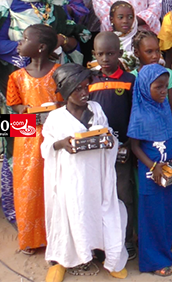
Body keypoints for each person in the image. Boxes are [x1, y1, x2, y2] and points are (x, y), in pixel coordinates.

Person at [0, 0, 91, 222]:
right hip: (20, 82)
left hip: (52, 84)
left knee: (55, 140)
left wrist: (62, 42)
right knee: (24, 144)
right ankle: (21, 210)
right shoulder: (6, 2)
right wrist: (29, 54)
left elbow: (76, 35)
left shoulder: (57, 3)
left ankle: (55, 212)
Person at [41, 63, 128, 281]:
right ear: (64, 92)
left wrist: (109, 141)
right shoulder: (56, 118)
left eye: (85, 87)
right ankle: (61, 260)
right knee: (68, 215)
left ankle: (110, 256)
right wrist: (63, 143)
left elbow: (108, 135)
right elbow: (46, 147)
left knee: (101, 210)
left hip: (96, 176)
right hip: (71, 179)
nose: (83, 93)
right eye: (77, 89)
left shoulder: (96, 110)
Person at [6, 24, 60, 254]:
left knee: (53, 184)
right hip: (25, 133)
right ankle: (30, 237)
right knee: (26, 184)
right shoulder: (16, 77)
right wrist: (27, 110)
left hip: (53, 133)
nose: (19, 42)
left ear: (40, 47)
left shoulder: (58, 72)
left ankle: (54, 237)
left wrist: (49, 112)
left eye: (24, 38)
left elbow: (65, 103)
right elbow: (14, 105)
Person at [89, 32, 138, 260]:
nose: (105, 58)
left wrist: (128, 144)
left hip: (122, 150)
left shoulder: (129, 80)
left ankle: (126, 239)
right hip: (97, 150)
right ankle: (100, 241)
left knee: (123, 194)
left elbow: (135, 115)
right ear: (94, 55)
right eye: (100, 54)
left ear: (119, 53)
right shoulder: (90, 81)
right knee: (99, 195)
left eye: (110, 53)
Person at [127, 64, 172, 277]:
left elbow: (168, 136)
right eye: (158, 87)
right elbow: (135, 147)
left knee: (167, 213)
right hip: (151, 174)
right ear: (144, 87)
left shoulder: (164, 107)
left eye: (165, 87)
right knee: (151, 216)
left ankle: (164, 252)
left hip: (168, 170)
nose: (163, 91)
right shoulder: (140, 114)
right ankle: (152, 261)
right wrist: (153, 166)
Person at [132, 30, 172, 121]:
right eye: (149, 52)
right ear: (137, 53)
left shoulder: (168, 74)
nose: (155, 56)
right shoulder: (132, 78)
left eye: (157, 51)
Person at [106, 1, 139, 72]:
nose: (125, 21)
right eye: (120, 17)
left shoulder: (141, 39)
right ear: (112, 19)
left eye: (130, 17)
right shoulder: (106, 41)